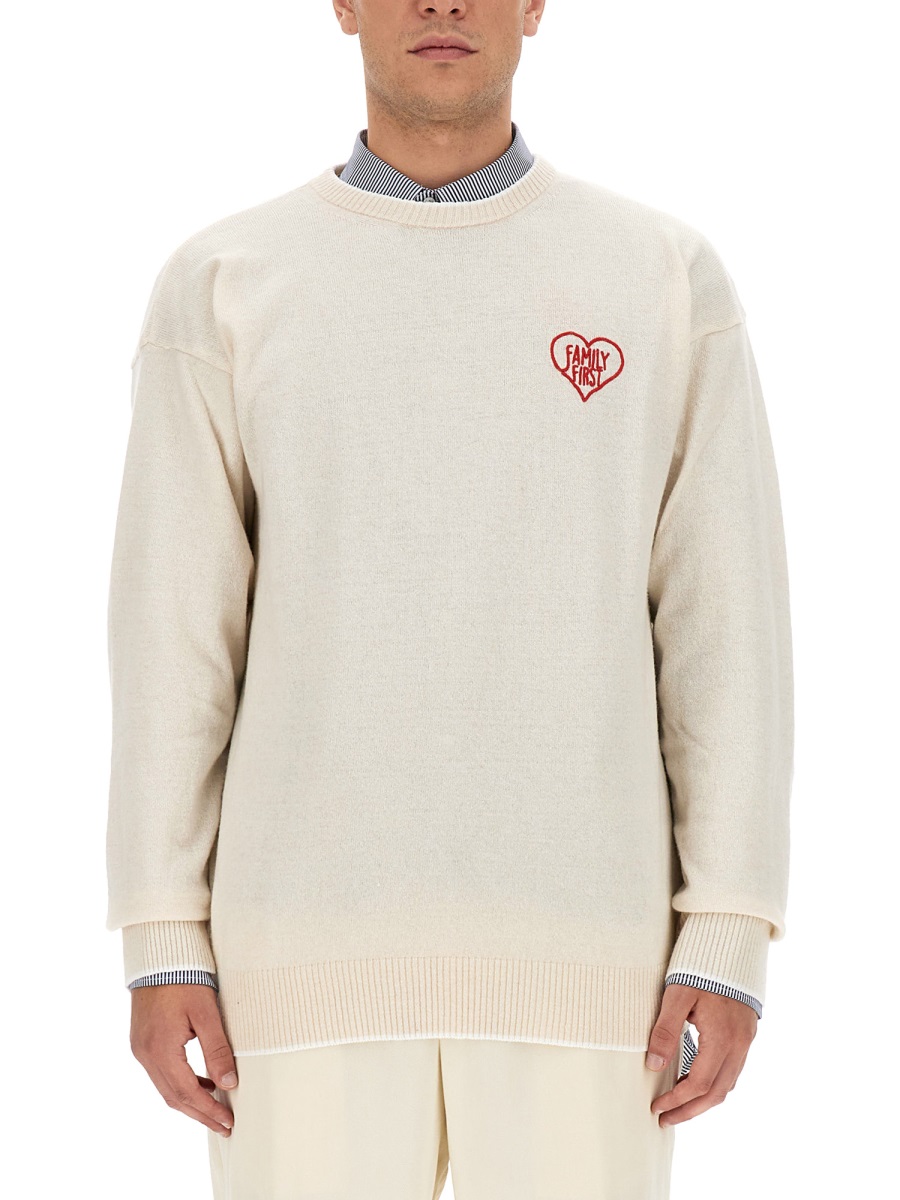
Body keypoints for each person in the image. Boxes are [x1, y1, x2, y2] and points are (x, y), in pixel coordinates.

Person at [105, 2, 794, 1197]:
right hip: (296, 968)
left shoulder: (659, 276)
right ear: (342, 3)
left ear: (535, 4)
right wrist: (162, 936)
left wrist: (729, 929)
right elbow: (172, 637)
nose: (439, 2)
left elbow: (725, 628)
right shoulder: (225, 284)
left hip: (594, 972)